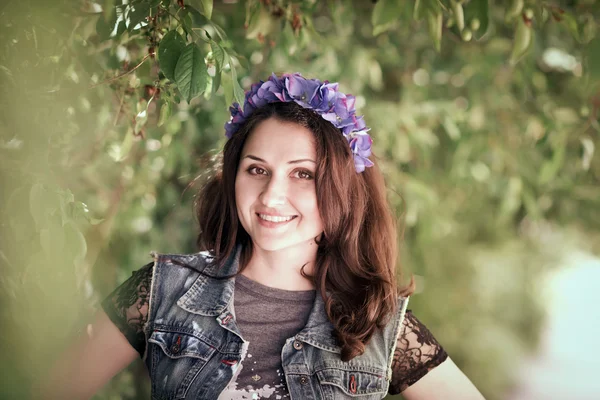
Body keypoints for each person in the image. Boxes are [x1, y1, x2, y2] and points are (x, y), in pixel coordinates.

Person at [38, 73, 485, 399]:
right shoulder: (161, 289)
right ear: (234, 176)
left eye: (303, 174)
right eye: (257, 170)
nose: (272, 195)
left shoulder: (378, 323)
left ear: (341, 191)